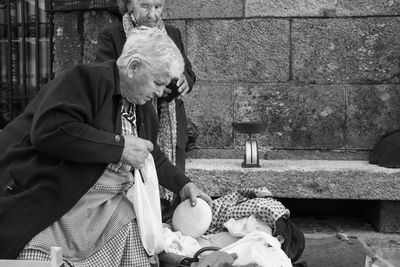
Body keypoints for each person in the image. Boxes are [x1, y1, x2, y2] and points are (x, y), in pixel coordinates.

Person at [0, 28, 211, 266]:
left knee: (133, 226)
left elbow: (150, 155)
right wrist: (119, 147)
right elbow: (50, 130)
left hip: (103, 208)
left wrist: (183, 184)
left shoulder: (143, 108)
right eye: (158, 82)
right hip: (56, 201)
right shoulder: (87, 80)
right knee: (36, 253)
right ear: (133, 67)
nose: (160, 92)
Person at [95, 0, 196, 221]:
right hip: (129, 115)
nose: (152, 14)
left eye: (158, 7)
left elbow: (187, 70)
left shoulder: (172, 33)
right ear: (129, 5)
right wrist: (119, 146)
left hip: (164, 118)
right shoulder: (109, 41)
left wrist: (185, 80)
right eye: (145, 6)